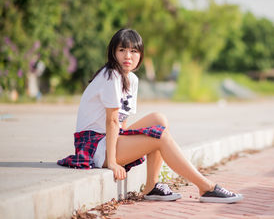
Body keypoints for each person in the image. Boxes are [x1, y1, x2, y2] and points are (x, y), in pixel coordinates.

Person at [58, 28, 243, 203]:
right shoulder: (111, 75)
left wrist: (129, 143)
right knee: (159, 136)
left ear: (141, 54)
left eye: (133, 51)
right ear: (113, 52)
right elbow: (112, 120)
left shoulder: (131, 79)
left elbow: (122, 121)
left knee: (159, 119)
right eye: (122, 50)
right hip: (93, 146)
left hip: (108, 139)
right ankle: (206, 187)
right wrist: (113, 162)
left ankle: (151, 186)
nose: (128, 56)